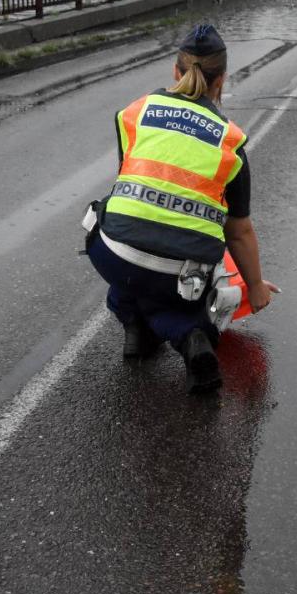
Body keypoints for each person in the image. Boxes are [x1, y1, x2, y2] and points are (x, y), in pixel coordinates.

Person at [85, 24, 278, 393]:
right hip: (179, 273)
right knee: (177, 289)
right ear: (221, 80)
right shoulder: (230, 139)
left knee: (133, 267)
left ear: (175, 71)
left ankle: (137, 328)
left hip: (112, 253)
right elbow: (238, 232)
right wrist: (253, 287)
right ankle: (191, 336)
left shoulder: (133, 113)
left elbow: (130, 194)